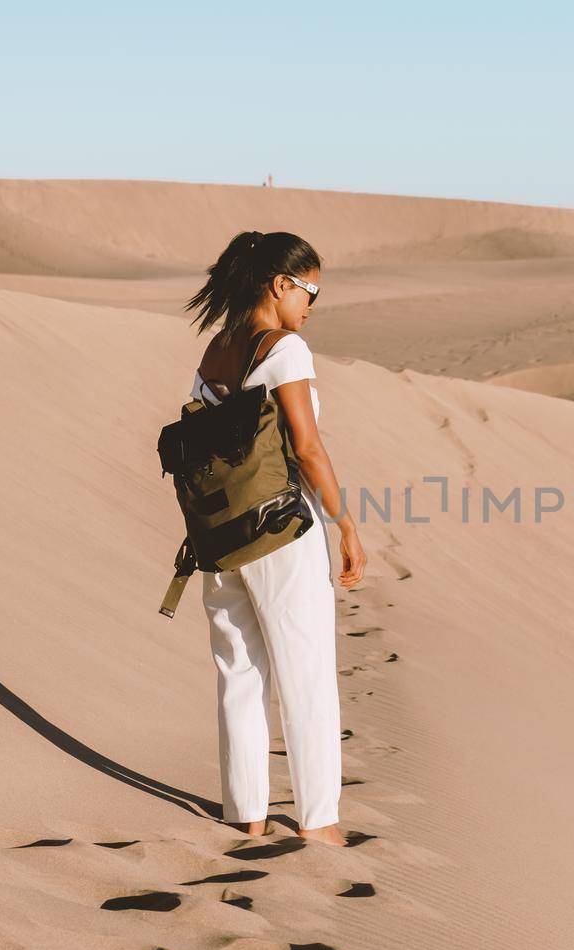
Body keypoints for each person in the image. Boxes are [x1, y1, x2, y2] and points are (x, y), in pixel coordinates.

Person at [182, 230, 366, 845]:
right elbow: (307, 447)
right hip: (283, 532)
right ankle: (319, 822)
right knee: (305, 673)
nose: (312, 304)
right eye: (309, 289)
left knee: (238, 670)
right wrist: (345, 523)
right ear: (280, 284)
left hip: (221, 538)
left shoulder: (216, 350)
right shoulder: (286, 349)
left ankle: (246, 815)